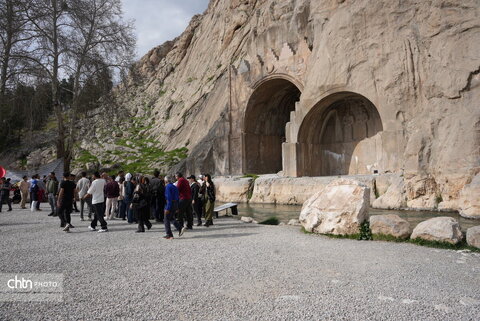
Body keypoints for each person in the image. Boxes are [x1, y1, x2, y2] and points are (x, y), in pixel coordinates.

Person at [163, 175, 185, 239]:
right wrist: (177, 207)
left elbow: (169, 198)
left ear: (166, 181)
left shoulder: (168, 187)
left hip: (170, 203)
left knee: (166, 219)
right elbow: (178, 197)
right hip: (175, 203)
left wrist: (167, 208)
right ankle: (180, 228)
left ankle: (169, 234)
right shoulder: (174, 186)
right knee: (171, 218)